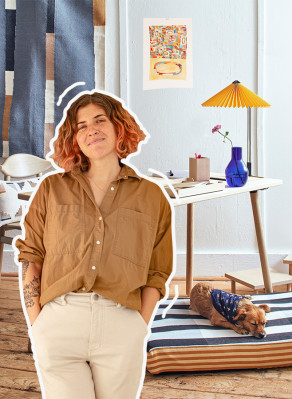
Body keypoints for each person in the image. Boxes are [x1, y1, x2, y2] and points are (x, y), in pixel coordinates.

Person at [15, 91, 174, 399]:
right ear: (74, 138)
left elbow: (158, 270)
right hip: (58, 321)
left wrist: (138, 325)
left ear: (119, 127)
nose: (91, 130)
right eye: (81, 125)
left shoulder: (152, 197)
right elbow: (31, 257)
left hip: (121, 323)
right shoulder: (51, 189)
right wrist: (38, 325)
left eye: (100, 120)